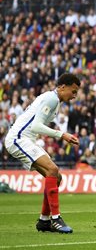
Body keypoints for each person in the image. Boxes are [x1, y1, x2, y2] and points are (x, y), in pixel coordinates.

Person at [3, 73, 81, 233]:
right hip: (18, 138)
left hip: (26, 139)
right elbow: (36, 127)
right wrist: (62, 134)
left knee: (55, 177)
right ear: (62, 87)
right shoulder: (51, 99)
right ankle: (56, 218)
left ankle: (44, 221)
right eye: (73, 91)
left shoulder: (54, 100)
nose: (74, 96)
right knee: (52, 170)